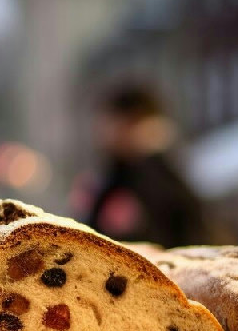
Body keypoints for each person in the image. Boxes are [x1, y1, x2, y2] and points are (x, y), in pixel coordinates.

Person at [84, 82, 212, 247]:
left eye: (109, 121)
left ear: (131, 122)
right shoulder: (122, 171)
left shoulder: (154, 174)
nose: (101, 131)